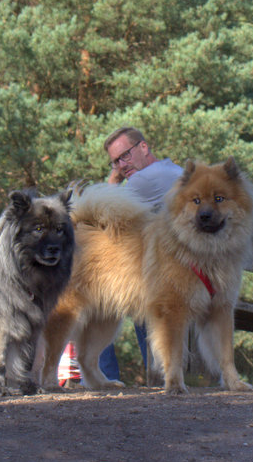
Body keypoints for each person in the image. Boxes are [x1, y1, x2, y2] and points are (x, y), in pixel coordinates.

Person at [59, 127, 182, 386]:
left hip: (168, 278)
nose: (122, 166)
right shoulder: (173, 170)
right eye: (115, 162)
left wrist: (113, 179)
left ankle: (102, 376)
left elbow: (99, 211)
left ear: (144, 147)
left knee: (106, 292)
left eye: (125, 156)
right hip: (177, 272)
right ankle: (145, 375)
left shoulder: (144, 180)